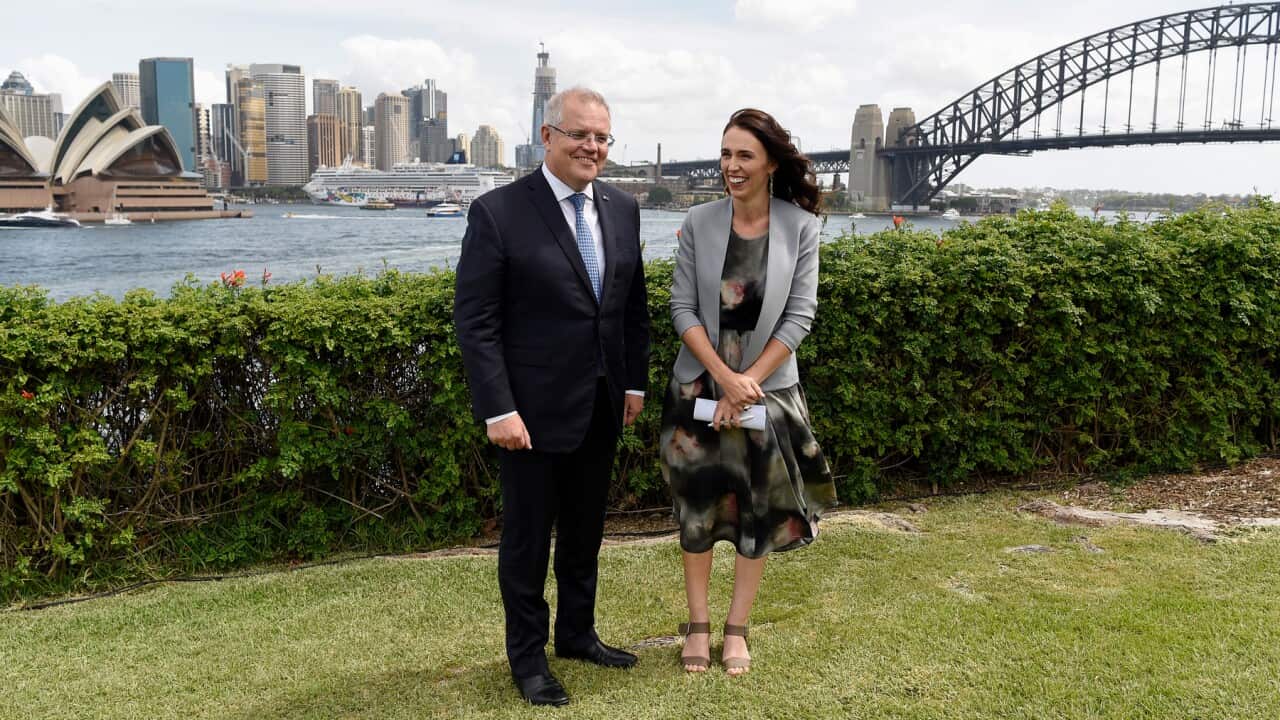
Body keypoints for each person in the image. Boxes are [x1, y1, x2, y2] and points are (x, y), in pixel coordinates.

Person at [453, 87, 650, 707]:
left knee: (587, 530)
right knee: (528, 540)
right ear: (547, 136)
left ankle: (577, 633)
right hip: (529, 414)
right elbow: (475, 321)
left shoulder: (622, 207)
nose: (592, 147)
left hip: (601, 402)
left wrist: (634, 381)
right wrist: (498, 408)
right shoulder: (498, 213)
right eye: (579, 135)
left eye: (602, 138)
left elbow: (631, 306)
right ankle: (529, 658)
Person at [660, 108, 837, 676]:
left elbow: (800, 317)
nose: (731, 167)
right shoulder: (699, 222)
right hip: (699, 387)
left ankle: (736, 629)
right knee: (698, 509)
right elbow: (682, 307)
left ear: (770, 164)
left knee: (754, 511)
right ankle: (698, 625)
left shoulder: (801, 228)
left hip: (766, 392)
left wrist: (748, 384)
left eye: (744, 156)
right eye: (726, 153)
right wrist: (724, 379)